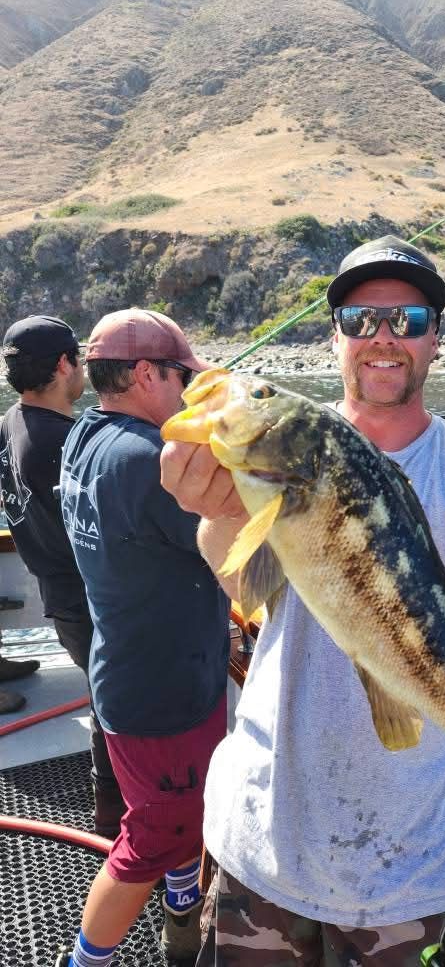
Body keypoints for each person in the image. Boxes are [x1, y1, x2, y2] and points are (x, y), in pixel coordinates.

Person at [160, 236, 445, 967]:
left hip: (409, 866)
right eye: (360, 319)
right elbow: (246, 593)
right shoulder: (285, 457)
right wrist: (218, 510)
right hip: (263, 838)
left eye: (407, 319)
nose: (383, 337)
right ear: (336, 337)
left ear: (436, 338)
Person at [55, 310, 231, 967]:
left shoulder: (87, 438)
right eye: (182, 374)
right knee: (148, 843)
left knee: (179, 825)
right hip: (166, 697)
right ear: (147, 373)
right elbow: (237, 541)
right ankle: (85, 961)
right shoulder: (149, 463)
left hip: (126, 672)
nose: (191, 386)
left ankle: (181, 910)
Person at [0, 315, 124, 827]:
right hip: (90, 599)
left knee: (105, 697)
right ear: (62, 365)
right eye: (79, 357)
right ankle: (113, 816)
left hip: (59, 595)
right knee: (114, 709)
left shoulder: (12, 422)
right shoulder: (65, 444)